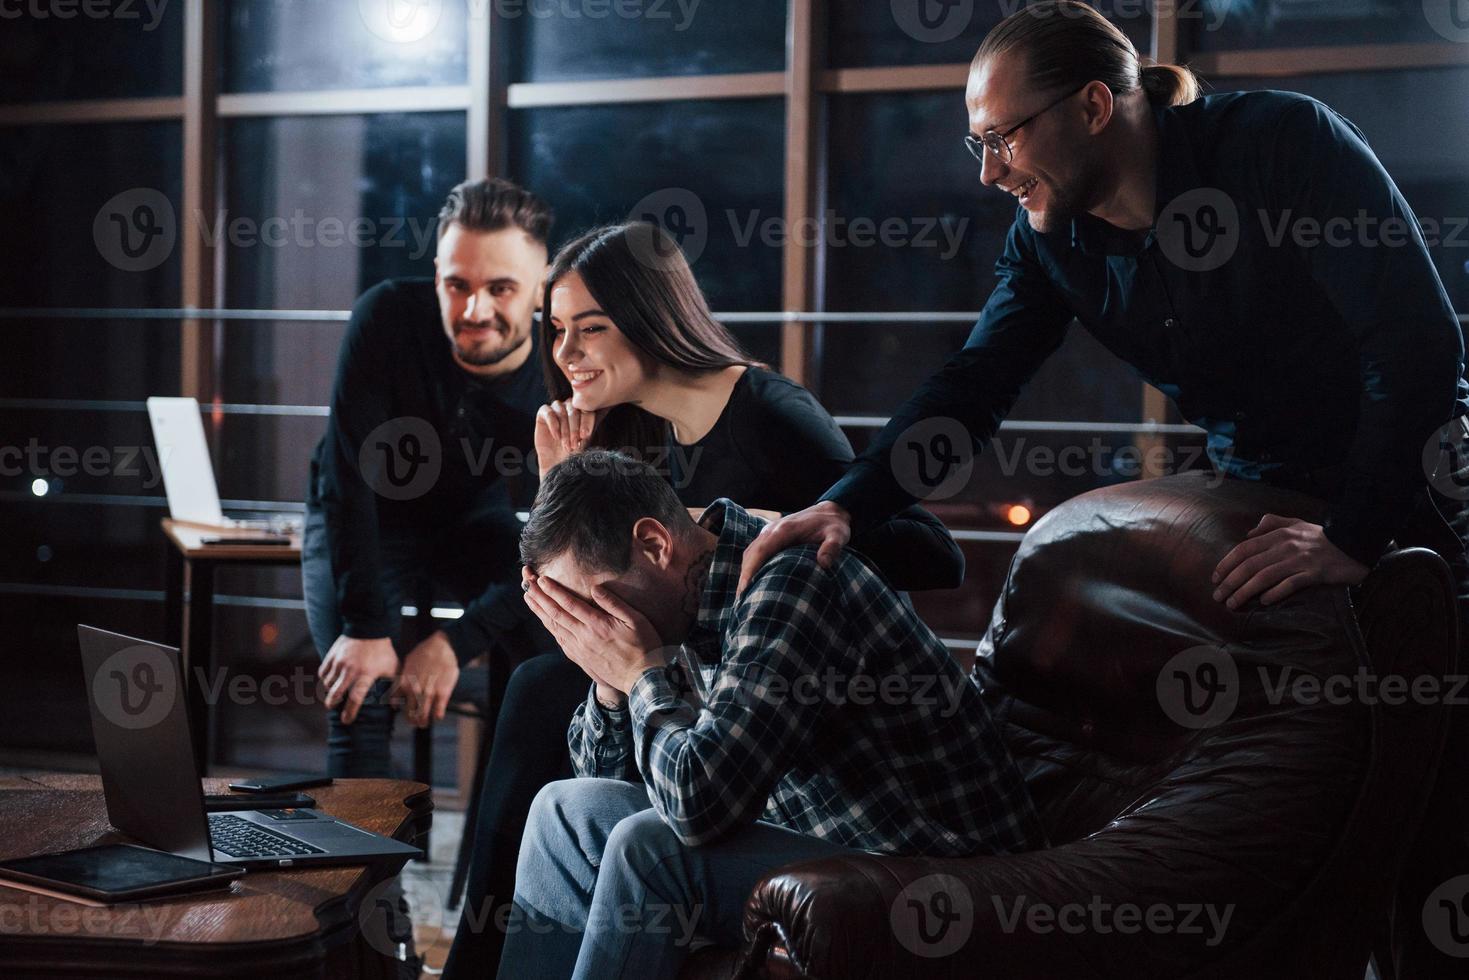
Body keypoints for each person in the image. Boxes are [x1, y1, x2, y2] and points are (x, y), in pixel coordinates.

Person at [737, 4, 1468, 976]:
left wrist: (1352, 532)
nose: (986, 170)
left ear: (1091, 105)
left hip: (1419, 494)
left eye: (1001, 136)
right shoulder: (1049, 238)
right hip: (1260, 499)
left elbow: (1415, 349)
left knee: (1435, 845)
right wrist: (846, 503)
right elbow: (973, 384)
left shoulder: (1278, 143)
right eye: (975, 141)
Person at [442, 222, 964, 978]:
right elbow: (584, 556)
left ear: (651, 317)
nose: (565, 354)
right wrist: (567, 483)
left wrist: (773, 533)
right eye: (556, 332)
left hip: (790, 648)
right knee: (559, 760)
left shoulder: (767, 413)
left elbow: (929, 550)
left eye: (590, 330)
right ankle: (487, 960)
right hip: (704, 660)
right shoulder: (627, 424)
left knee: (548, 705)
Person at [496, 450, 1042, 979]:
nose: (592, 628)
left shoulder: (790, 580)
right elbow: (613, 780)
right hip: (829, 852)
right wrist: (610, 683)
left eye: (592, 606)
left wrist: (640, 674)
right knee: (564, 810)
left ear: (654, 543)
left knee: (652, 850)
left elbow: (697, 809)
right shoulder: (678, 606)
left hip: (944, 882)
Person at [303, 177, 557, 778]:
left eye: (501, 288)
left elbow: (556, 549)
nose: (476, 311)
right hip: (367, 514)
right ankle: (368, 874)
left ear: (541, 287)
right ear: (437, 274)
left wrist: (455, 643)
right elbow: (347, 479)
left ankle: (505, 862)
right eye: (457, 286)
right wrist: (367, 628)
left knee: (553, 658)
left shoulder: (561, 367)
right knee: (358, 690)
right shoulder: (386, 315)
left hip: (470, 517)